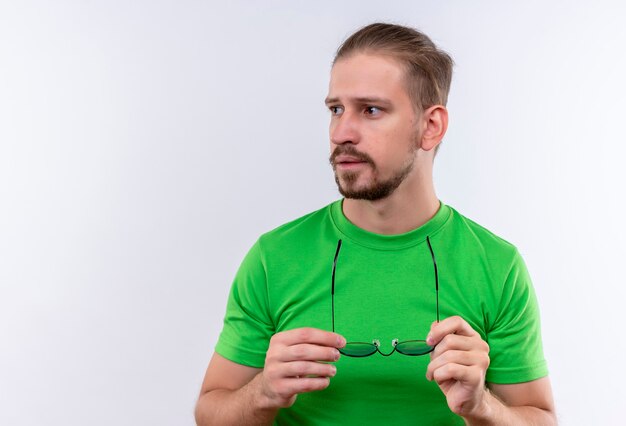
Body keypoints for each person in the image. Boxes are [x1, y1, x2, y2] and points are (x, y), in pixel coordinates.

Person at [194, 23, 556, 425]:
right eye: (336, 109)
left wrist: (482, 407)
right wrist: (262, 393)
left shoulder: (495, 265)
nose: (342, 132)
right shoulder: (273, 257)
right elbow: (210, 413)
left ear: (430, 126)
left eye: (371, 110)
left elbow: (540, 418)